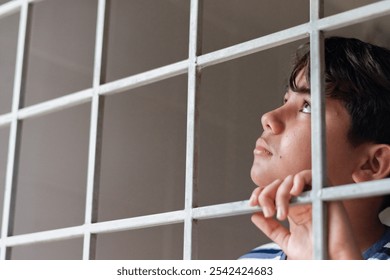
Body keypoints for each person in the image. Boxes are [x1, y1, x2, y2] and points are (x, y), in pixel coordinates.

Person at [240, 37, 390, 260]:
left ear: (372, 164)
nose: (268, 117)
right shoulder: (252, 261)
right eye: (285, 100)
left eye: (307, 107)